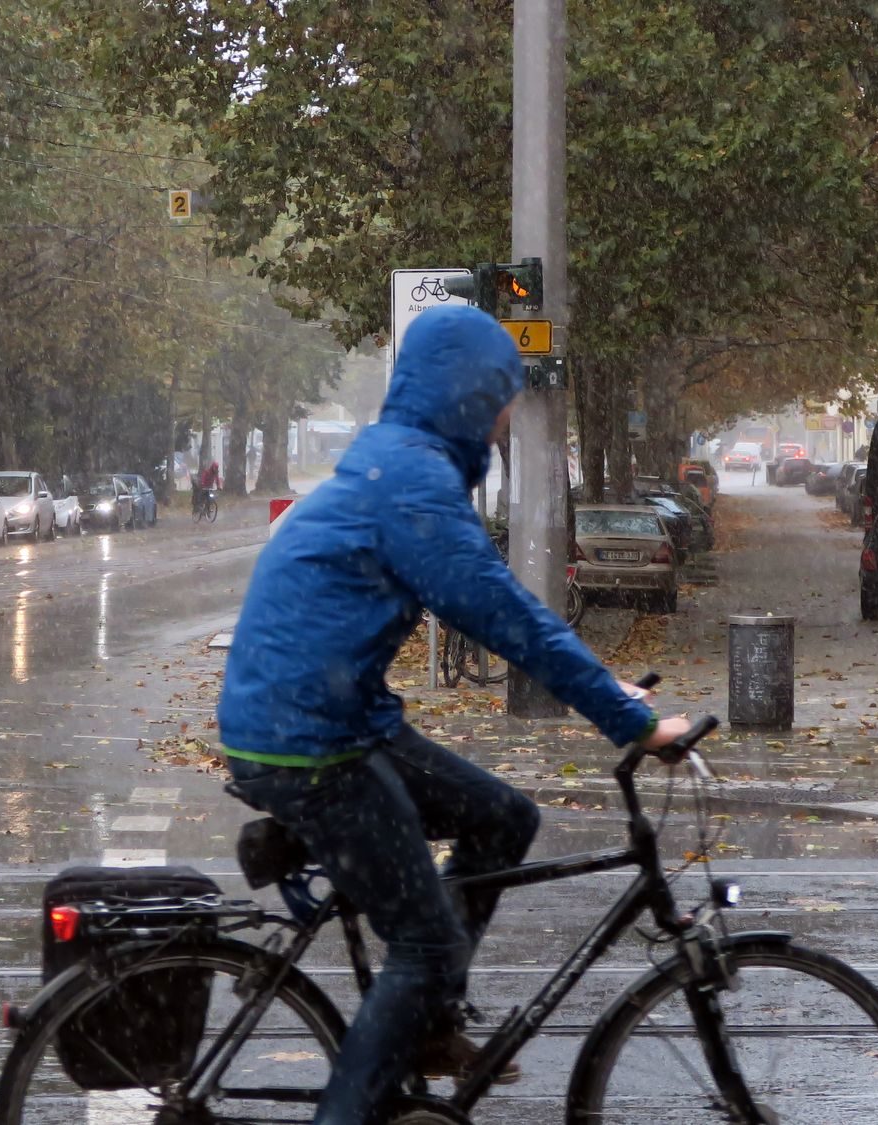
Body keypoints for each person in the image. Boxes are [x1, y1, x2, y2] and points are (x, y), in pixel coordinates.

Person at [216, 305, 691, 1125]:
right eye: (501, 397)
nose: (507, 416)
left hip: (331, 717)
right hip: (309, 742)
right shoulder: (414, 485)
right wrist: (628, 718)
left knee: (504, 816)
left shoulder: (400, 460)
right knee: (429, 941)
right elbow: (509, 616)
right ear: (467, 396)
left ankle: (428, 1023)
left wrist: (613, 694)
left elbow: (511, 615)